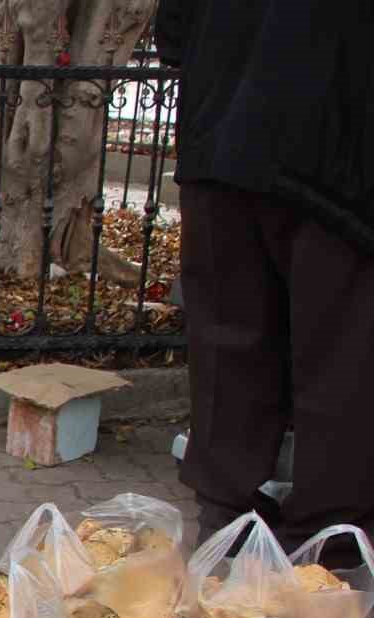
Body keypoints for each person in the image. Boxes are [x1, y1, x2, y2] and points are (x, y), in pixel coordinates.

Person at [155, 1, 374, 568]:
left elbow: (173, 32)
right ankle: (329, 544)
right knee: (339, 360)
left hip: (226, 131)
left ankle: (226, 521)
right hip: (338, 145)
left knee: (232, 345)